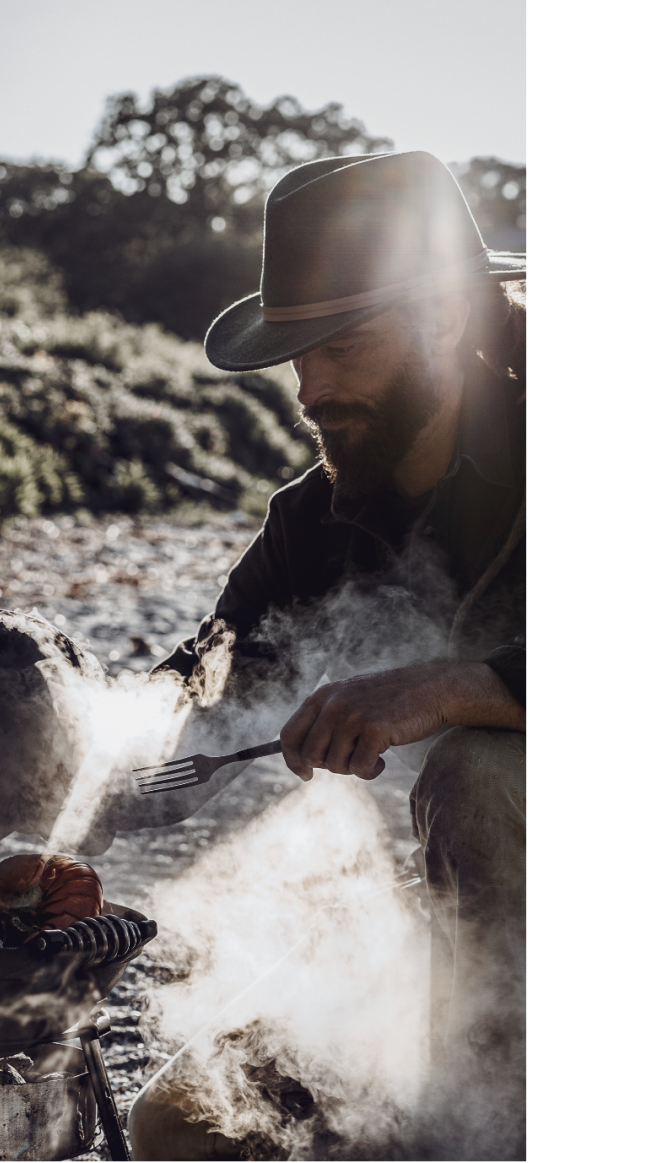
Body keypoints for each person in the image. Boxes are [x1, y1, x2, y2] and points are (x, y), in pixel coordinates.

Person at [125, 151, 525, 1160]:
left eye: (344, 342)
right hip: (443, 955)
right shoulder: (313, 518)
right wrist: (67, 761)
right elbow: (213, 670)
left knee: (480, 771)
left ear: (445, 316)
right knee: (177, 1129)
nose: (310, 384)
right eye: (297, 351)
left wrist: (452, 685)